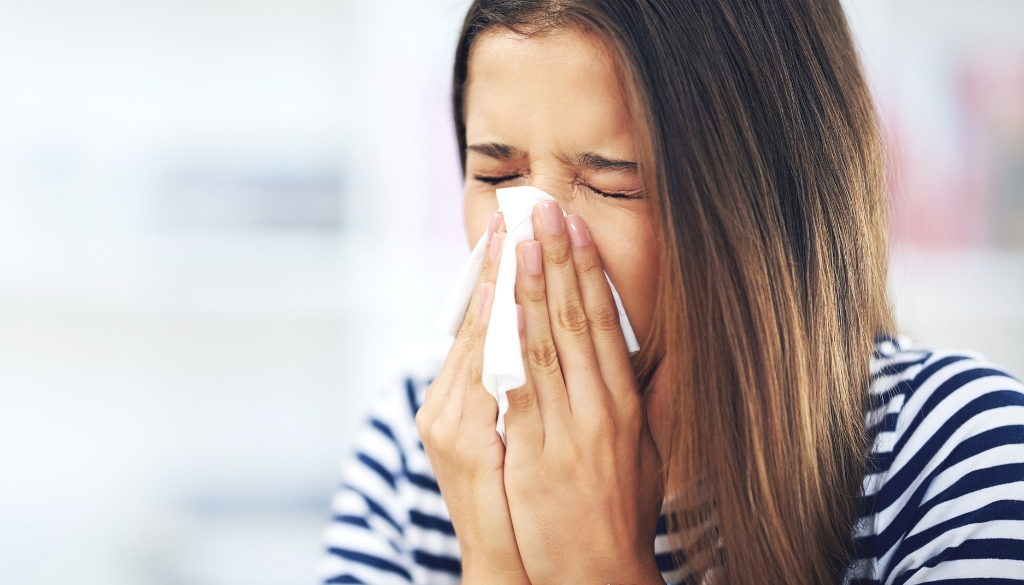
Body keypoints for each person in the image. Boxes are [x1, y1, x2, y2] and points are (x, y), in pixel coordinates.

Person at [319, 1, 1024, 584]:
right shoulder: (421, 450)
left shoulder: (957, 456)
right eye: (498, 175)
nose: (533, 239)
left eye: (612, 181)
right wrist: (495, 560)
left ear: (762, 204)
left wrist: (599, 568)